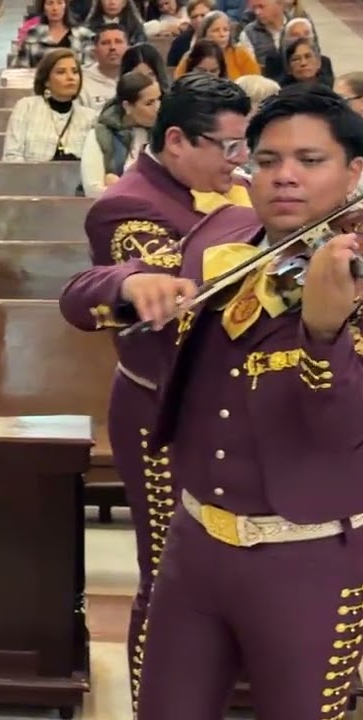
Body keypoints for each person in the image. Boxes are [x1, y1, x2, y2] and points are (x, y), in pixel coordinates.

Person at [68, 83, 363, 718]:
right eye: (265, 160)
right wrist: (131, 280)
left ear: (354, 172)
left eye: (311, 161)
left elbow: (342, 428)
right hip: (194, 545)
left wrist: (323, 335)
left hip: (308, 559)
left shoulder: (351, 272)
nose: (284, 177)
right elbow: (78, 296)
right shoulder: (224, 232)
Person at [61, 71, 251, 710]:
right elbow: (163, 288)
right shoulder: (129, 204)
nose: (242, 160)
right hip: (160, 409)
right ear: (175, 140)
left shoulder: (226, 192)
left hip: (234, 410)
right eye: (229, 147)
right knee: (169, 575)